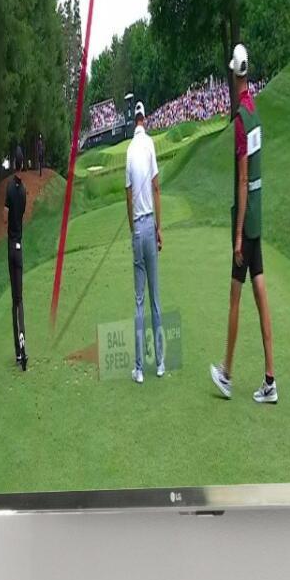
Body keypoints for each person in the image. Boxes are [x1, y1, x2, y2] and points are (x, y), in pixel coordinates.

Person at [212, 44, 277, 404]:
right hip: (259, 214)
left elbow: (241, 179)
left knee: (236, 296)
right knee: (260, 293)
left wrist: (237, 235)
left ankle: (227, 372)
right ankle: (269, 378)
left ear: (233, 76)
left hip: (247, 221)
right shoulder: (254, 111)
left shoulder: (240, 120)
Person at [123, 100, 163, 380]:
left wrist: (131, 229)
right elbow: (156, 187)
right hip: (150, 225)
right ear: (144, 119)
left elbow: (127, 195)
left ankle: (138, 369)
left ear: (132, 120)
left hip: (137, 227)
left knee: (139, 301)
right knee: (155, 300)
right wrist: (159, 228)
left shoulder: (128, 150)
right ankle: (159, 363)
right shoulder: (149, 145)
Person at [0, 158, 29, 371]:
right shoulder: (24, 191)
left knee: (14, 301)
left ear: (13, 166)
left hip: (11, 248)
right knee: (21, 301)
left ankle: (18, 354)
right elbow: (20, 214)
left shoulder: (9, 188)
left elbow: (4, 217)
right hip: (20, 248)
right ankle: (23, 344)